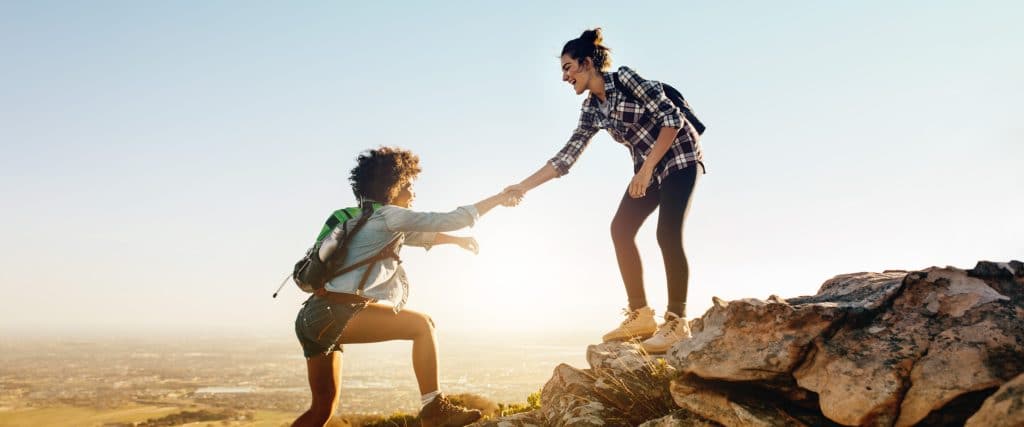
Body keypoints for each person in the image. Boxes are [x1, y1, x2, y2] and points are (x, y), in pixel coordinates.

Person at [505, 28, 705, 353]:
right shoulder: (591, 110)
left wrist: (646, 168)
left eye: (567, 68)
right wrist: (522, 187)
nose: (564, 77)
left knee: (667, 234)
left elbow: (673, 119)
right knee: (620, 229)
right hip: (648, 170)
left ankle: (676, 322)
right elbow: (565, 157)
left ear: (586, 63)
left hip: (679, 156)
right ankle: (640, 315)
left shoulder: (626, 79)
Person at [292, 146, 516, 427]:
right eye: (408, 186)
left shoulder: (360, 217)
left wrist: (456, 242)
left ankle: (434, 410)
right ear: (393, 186)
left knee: (321, 409)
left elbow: (422, 235)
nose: (413, 193)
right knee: (423, 325)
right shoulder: (390, 216)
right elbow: (452, 218)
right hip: (336, 314)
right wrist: (499, 198)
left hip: (311, 318)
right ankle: (434, 410)